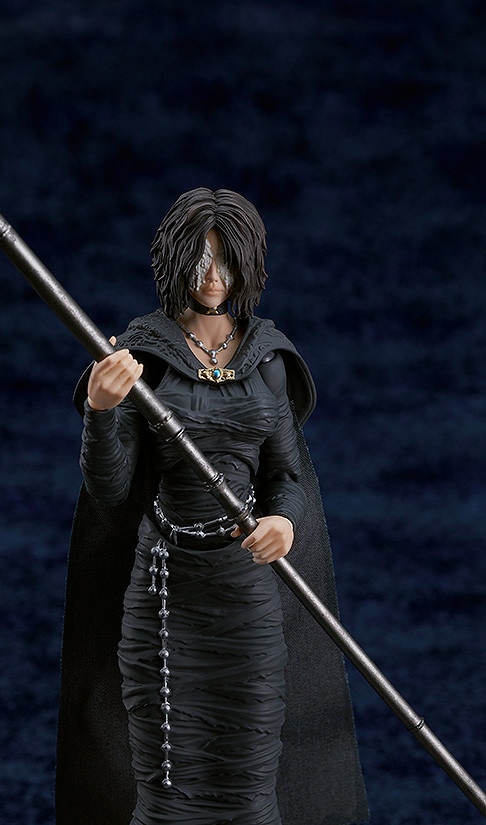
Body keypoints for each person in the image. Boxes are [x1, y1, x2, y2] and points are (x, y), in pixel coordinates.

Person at [55, 189, 369, 825]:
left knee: (248, 776)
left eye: (225, 260)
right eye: (199, 259)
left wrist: (284, 521)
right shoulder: (144, 358)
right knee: (170, 782)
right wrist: (102, 410)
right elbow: (112, 490)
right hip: (165, 590)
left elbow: (286, 472)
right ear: (175, 260)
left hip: (245, 589)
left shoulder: (266, 361)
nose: (213, 275)